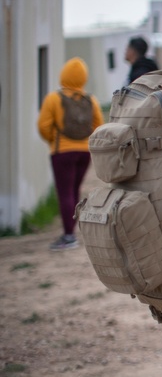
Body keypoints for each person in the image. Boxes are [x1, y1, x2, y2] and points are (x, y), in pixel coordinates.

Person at [36, 57, 104, 251]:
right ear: (84, 77)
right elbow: (99, 126)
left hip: (62, 152)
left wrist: (54, 140)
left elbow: (44, 126)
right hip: (84, 152)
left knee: (65, 192)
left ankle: (68, 236)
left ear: (63, 74)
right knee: (74, 191)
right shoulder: (91, 100)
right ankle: (73, 230)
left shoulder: (53, 99)